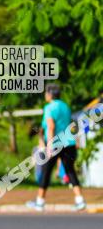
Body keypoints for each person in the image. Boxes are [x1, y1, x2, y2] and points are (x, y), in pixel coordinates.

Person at [26, 83, 86, 211]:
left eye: (46, 93)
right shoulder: (65, 106)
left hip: (55, 144)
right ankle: (80, 200)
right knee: (70, 171)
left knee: (46, 172)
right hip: (68, 143)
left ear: (49, 94)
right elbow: (71, 124)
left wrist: (50, 145)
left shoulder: (49, 108)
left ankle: (40, 202)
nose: (45, 95)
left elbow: (51, 126)